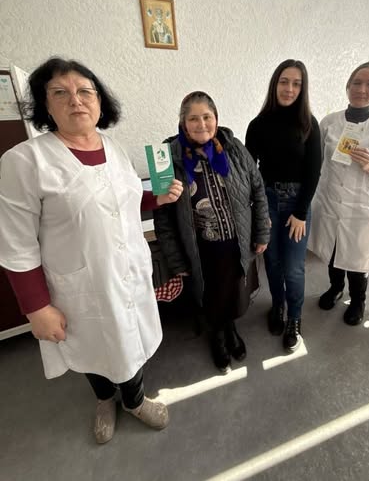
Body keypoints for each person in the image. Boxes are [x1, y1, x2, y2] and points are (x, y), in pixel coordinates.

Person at [0, 57, 183, 444]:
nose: (76, 100)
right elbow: (16, 244)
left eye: (85, 91)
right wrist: (36, 307)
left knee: (129, 341)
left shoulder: (113, 148)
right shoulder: (25, 161)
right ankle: (104, 399)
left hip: (128, 274)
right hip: (79, 285)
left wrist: (158, 198)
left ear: (100, 101)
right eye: (60, 92)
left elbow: (123, 199)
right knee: (92, 345)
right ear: (45, 105)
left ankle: (134, 401)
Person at [153, 91, 270, 374]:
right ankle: (217, 335)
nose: (201, 124)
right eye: (193, 118)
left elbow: (258, 189)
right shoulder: (164, 158)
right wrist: (176, 259)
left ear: (216, 119)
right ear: (183, 123)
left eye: (207, 117)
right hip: (199, 247)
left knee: (234, 291)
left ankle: (230, 328)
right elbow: (163, 216)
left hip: (236, 240)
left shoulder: (234, 147)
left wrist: (262, 232)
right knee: (210, 294)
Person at [309, 61, 369, 325]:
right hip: (329, 201)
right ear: (348, 86)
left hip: (361, 205)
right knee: (333, 253)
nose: (362, 89)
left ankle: (358, 300)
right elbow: (316, 161)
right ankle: (335, 288)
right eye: (357, 83)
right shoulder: (329, 122)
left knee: (357, 259)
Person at [246, 60, 322, 352]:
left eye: (296, 83)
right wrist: (258, 210)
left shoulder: (309, 124)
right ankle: (277, 306)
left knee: (293, 268)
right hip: (267, 202)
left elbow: (313, 172)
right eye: (284, 81)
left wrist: (301, 213)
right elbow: (250, 172)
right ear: (275, 84)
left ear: (302, 89)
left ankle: (295, 318)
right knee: (273, 263)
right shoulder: (258, 125)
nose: (289, 88)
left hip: (296, 205)